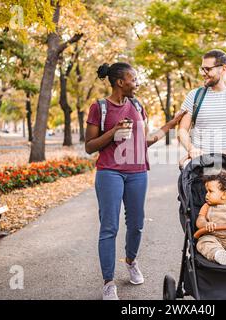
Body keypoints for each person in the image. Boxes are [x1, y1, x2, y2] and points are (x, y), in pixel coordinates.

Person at [85, 62, 186, 300]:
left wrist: (171, 123)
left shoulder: (138, 105)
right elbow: (89, 147)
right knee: (109, 227)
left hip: (138, 171)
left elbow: (145, 141)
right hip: (109, 171)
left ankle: (131, 261)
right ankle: (109, 282)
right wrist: (112, 132)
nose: (137, 83)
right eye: (134, 79)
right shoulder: (99, 107)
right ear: (120, 82)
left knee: (137, 223)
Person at [178, 49, 226, 164]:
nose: (203, 73)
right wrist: (191, 148)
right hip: (200, 166)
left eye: (208, 69)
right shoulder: (194, 96)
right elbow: (182, 130)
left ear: (223, 68)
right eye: (202, 69)